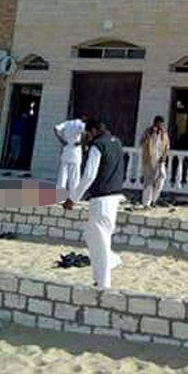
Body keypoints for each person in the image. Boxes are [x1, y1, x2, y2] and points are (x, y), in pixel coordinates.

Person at [63, 119, 125, 288]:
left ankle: (104, 282)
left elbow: (89, 175)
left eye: (88, 133)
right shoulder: (117, 142)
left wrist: (73, 198)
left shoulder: (98, 145)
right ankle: (105, 271)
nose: (87, 137)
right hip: (114, 197)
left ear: (95, 130)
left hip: (101, 199)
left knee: (101, 240)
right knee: (92, 235)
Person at [140, 115, 170, 208]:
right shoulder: (148, 132)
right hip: (149, 160)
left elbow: (167, 146)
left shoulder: (164, 133)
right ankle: (146, 203)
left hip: (160, 161)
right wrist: (150, 134)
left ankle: (154, 199)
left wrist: (164, 157)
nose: (161, 126)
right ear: (155, 123)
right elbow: (141, 142)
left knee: (161, 177)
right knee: (149, 181)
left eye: (162, 124)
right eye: (159, 124)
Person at [53, 118, 86, 194]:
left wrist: (61, 139)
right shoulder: (80, 124)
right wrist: (81, 142)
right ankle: (73, 194)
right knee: (74, 175)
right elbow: (85, 133)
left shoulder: (67, 123)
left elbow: (55, 128)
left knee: (62, 173)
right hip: (75, 151)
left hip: (66, 149)